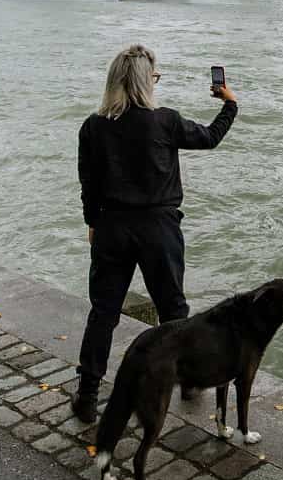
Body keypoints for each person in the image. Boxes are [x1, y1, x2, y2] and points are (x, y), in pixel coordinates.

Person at [71, 43, 238, 423]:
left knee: (103, 313)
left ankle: (86, 396)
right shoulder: (165, 121)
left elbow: (88, 183)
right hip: (158, 229)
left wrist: (92, 223)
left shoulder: (93, 126)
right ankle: (190, 381)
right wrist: (229, 104)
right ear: (148, 82)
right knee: (173, 311)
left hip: (112, 225)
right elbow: (210, 137)